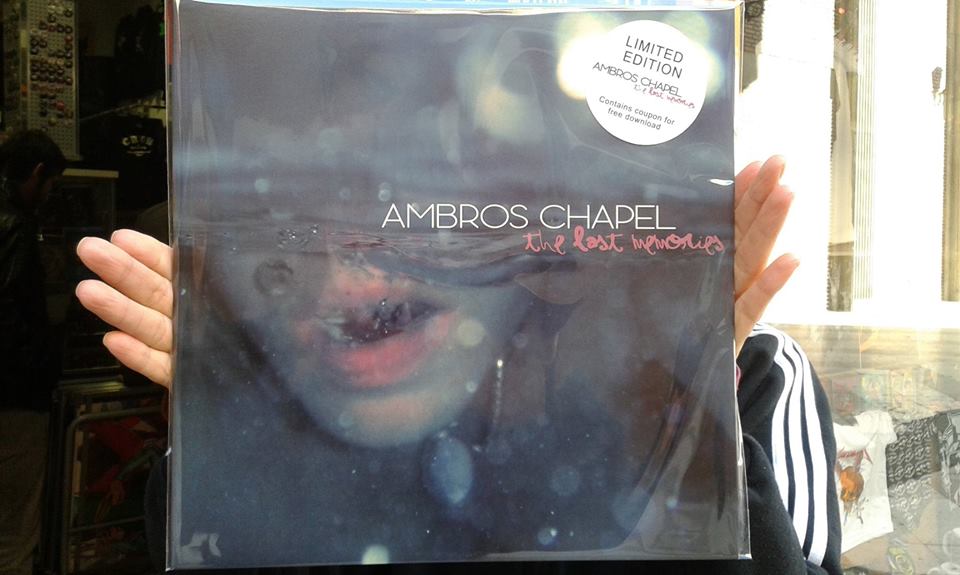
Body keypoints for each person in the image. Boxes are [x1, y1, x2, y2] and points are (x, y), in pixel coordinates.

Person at [75, 155, 842, 573]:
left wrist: (678, 433)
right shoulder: (256, 418)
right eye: (289, 205)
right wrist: (245, 446)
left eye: (423, 184)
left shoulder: (752, 379)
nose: (351, 255)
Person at [0, 130, 66, 575]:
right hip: (15, 398)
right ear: (38, 174)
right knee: (16, 527)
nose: (48, 196)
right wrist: (44, 368)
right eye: (51, 185)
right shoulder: (16, 226)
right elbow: (12, 315)